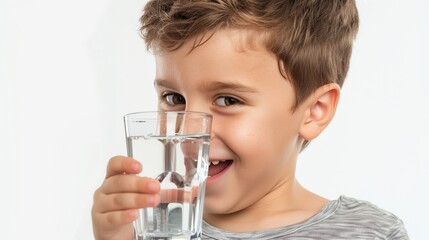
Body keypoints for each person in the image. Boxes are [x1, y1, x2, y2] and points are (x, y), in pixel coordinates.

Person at [92, 0, 409, 239]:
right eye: (174, 99)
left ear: (314, 111)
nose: (188, 131)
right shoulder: (153, 228)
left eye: (228, 100)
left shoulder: (370, 232)